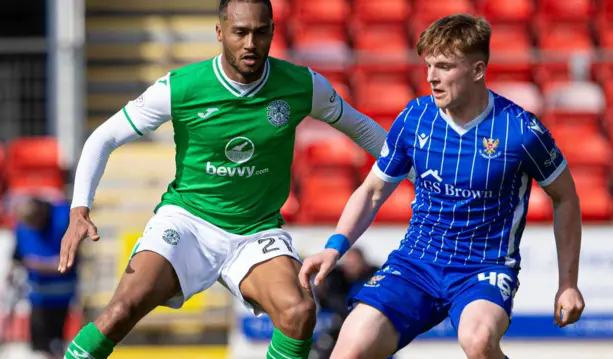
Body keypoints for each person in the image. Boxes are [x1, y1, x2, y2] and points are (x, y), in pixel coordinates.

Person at [58, 1, 414, 358]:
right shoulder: (181, 87)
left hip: (256, 231)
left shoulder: (301, 85)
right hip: (188, 222)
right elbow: (102, 138)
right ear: (220, 32)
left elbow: (364, 130)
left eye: (260, 32)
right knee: (121, 311)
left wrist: (420, 173)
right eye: (240, 32)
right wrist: (79, 209)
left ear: (273, 32)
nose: (250, 43)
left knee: (300, 312)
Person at [299, 14, 585, 359]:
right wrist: (334, 247)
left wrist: (568, 285)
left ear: (478, 70)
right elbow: (373, 190)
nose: (432, 77)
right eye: (429, 66)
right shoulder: (416, 117)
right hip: (416, 264)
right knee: (348, 350)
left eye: (445, 67)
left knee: (478, 342)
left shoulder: (520, 130)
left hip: (483, 268)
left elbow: (565, 197)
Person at [12, 197, 76, 359]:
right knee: (39, 345)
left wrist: (39, 265)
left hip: (61, 296)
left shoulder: (63, 219)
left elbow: (65, 263)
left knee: (55, 343)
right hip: (37, 296)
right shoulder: (22, 227)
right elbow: (18, 255)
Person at [309, 248, 380, 359]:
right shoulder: (336, 278)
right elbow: (328, 303)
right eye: (348, 264)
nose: (350, 267)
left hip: (367, 329)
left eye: (354, 263)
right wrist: (321, 291)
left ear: (362, 262)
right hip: (340, 328)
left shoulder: (374, 278)